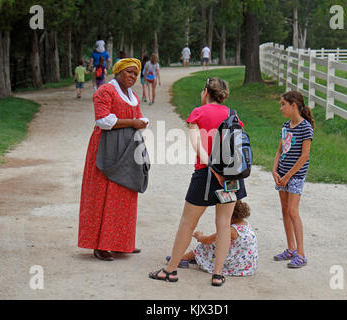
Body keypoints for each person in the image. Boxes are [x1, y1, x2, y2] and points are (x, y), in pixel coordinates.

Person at [149, 77, 247, 287]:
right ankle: (218, 274)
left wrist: (212, 168)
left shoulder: (198, 113)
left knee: (187, 223)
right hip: (231, 177)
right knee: (223, 225)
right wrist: (223, 174)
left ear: (205, 92)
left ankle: (171, 270)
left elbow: (197, 146)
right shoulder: (233, 114)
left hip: (206, 175)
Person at [78, 58, 149, 261]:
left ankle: (121, 242)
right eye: (129, 72)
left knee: (124, 193)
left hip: (127, 148)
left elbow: (138, 117)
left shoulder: (132, 96)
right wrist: (133, 122)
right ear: (118, 72)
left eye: (136, 74)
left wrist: (141, 122)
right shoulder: (105, 91)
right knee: (104, 194)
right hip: (107, 147)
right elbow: (103, 120)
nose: (133, 77)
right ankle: (100, 245)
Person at [272, 90, 314, 269]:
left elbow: (304, 156)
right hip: (282, 175)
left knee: (293, 211)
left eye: (283, 104)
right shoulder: (286, 125)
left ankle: (301, 254)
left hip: (295, 176)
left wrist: (289, 175)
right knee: (284, 210)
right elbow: (280, 151)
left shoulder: (305, 128)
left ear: (294, 105)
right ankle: (291, 248)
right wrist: (274, 170)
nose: (281, 108)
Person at [166, 200, 258, 276]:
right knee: (222, 244)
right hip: (248, 265)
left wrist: (199, 236)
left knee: (206, 246)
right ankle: (196, 259)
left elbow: (207, 240)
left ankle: (182, 258)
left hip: (236, 266)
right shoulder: (245, 225)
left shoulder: (231, 230)